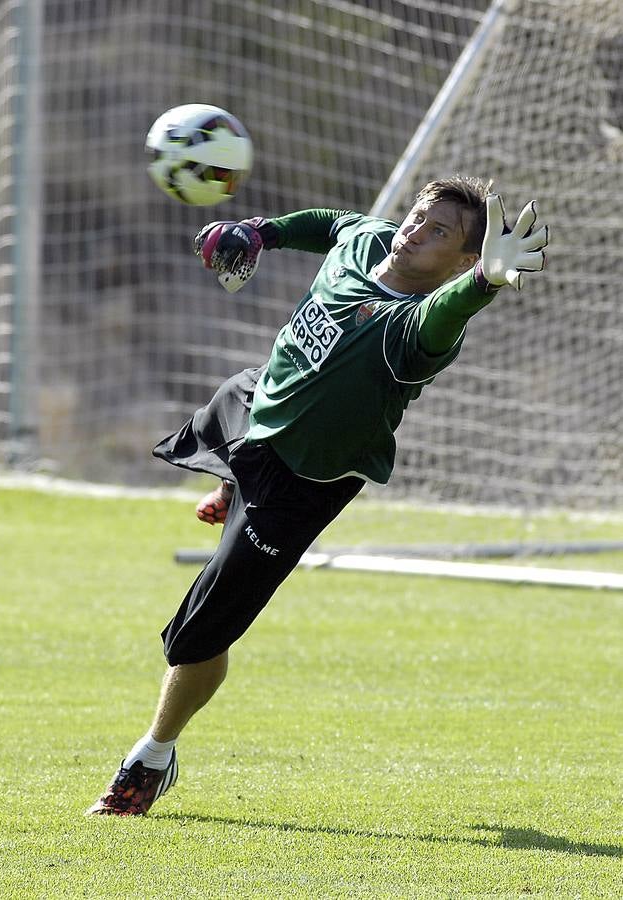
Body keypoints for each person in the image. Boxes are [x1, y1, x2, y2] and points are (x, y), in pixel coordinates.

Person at [86, 176, 549, 816]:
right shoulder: (368, 243)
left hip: (303, 484)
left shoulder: (413, 330)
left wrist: (483, 287)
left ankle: (153, 754)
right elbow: (332, 221)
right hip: (258, 413)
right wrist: (260, 232)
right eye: (419, 215)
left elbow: (449, 314)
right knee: (241, 387)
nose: (415, 230)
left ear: (464, 261)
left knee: (196, 640)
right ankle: (232, 479)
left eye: (440, 232)